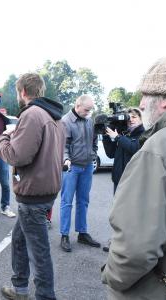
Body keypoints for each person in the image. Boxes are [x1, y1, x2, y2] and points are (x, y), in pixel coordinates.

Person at [101, 56, 166, 299]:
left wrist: (110, 276)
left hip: (161, 289)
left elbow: (135, 250)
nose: (141, 104)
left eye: (146, 95)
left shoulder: (163, 147)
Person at [0, 73, 65, 300]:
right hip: (46, 189)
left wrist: (4, 138)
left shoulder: (33, 114)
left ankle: (45, 296)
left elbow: (18, 156)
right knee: (19, 240)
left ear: (23, 91)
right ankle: (20, 288)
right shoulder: (55, 116)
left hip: (33, 194)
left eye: (18, 92)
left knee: (39, 252)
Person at [60, 95, 100, 252]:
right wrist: (66, 160)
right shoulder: (66, 121)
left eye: (91, 110)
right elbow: (63, 145)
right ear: (77, 106)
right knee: (67, 201)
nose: (89, 113)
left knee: (83, 201)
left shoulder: (89, 121)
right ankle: (64, 235)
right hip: (72, 167)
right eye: (87, 110)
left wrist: (93, 154)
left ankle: (82, 233)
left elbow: (94, 140)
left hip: (87, 166)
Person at [102, 108, 145, 193]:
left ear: (141, 119)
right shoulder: (123, 134)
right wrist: (106, 136)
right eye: (128, 118)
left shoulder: (143, 134)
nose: (131, 120)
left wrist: (118, 137)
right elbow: (111, 154)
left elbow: (134, 148)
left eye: (134, 117)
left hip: (133, 181)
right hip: (118, 180)